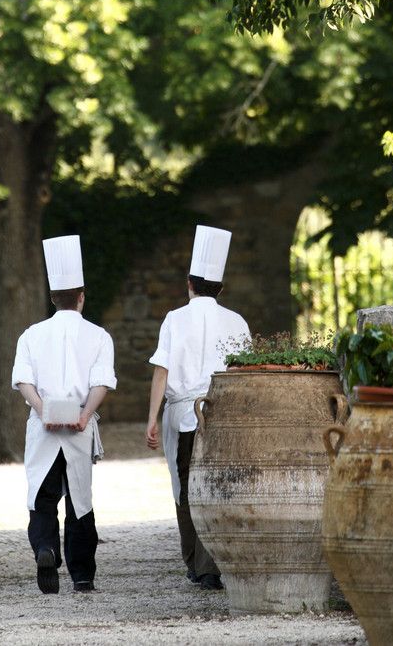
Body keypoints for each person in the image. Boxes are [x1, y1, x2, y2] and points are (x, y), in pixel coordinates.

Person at [146, 224, 250, 590]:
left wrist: (151, 419)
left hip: (183, 414)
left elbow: (162, 371)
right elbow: (245, 374)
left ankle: (198, 563)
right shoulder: (236, 321)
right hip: (223, 413)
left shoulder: (175, 319)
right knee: (216, 485)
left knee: (186, 486)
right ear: (220, 289)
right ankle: (208, 563)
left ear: (189, 284)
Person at [12, 234, 116, 594]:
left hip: (42, 429)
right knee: (79, 499)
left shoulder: (31, 335)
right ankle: (82, 574)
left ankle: (45, 548)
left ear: (53, 298)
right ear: (82, 297)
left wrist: (43, 411)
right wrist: (85, 414)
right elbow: (101, 383)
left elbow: (23, 381)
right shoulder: (99, 336)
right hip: (78, 428)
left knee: (42, 496)